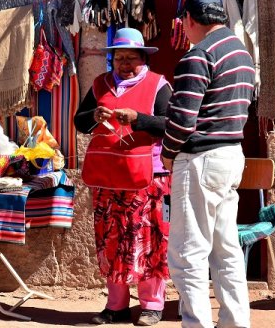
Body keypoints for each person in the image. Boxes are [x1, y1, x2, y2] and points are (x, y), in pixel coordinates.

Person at [160, 0, 256, 328]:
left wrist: (168, 155)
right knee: (226, 250)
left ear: (188, 19)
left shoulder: (197, 56)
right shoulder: (242, 54)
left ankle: (197, 324)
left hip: (200, 161)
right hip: (231, 156)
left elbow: (183, 120)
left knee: (188, 255)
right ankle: (235, 323)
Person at [74, 28, 173, 326]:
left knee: (149, 241)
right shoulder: (100, 84)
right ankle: (115, 306)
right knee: (112, 240)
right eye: (119, 58)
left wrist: (138, 120)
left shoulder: (158, 85)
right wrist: (93, 117)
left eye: (131, 57)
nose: (124, 64)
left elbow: (171, 124)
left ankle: (152, 306)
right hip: (108, 179)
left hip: (148, 177)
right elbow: (80, 121)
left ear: (144, 59)